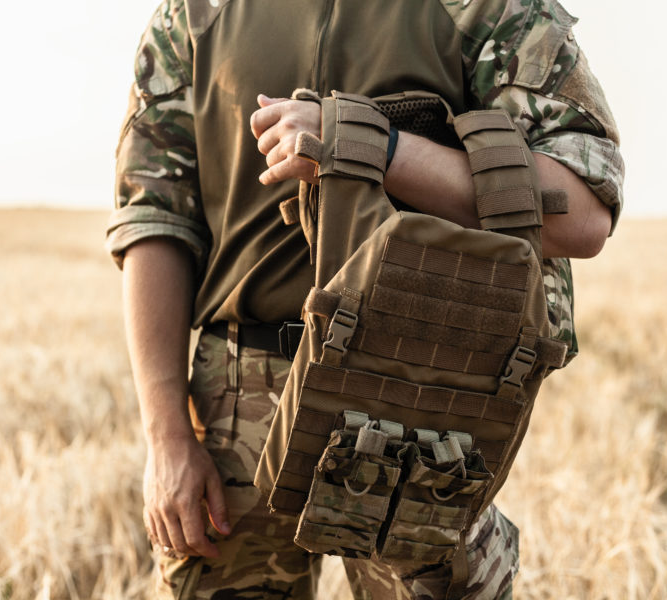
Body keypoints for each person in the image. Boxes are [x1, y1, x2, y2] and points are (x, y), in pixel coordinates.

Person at [106, 0, 624, 598]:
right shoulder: (196, 13)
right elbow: (155, 221)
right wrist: (167, 439)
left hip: (423, 395)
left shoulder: (488, 9)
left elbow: (581, 212)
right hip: (235, 399)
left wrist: (369, 146)